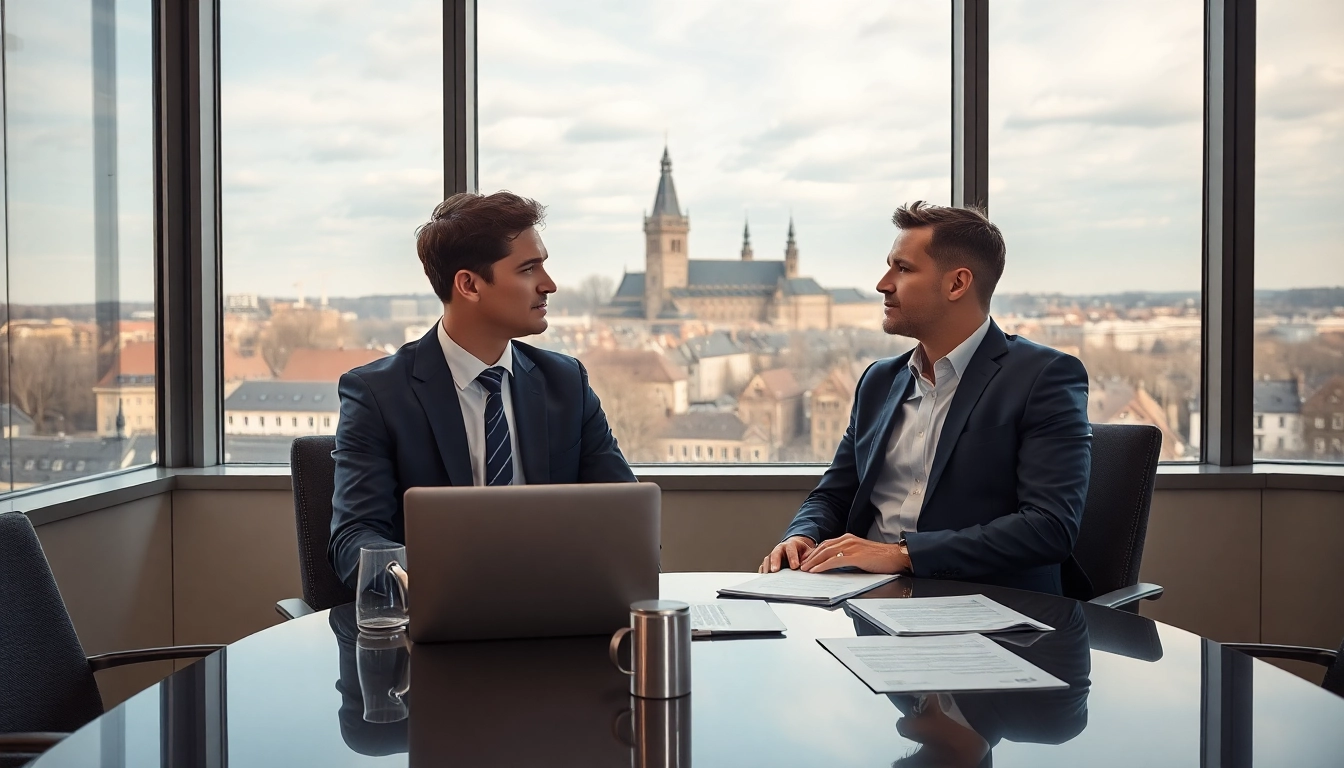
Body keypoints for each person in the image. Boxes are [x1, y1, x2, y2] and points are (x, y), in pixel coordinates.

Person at [759, 202, 1092, 595]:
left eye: (903, 268)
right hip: (864, 601)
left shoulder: (1044, 377)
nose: (883, 283)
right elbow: (834, 494)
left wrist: (902, 554)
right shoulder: (878, 381)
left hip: (986, 610)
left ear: (957, 284)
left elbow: (1048, 528)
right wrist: (803, 536)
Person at [329, 192, 636, 588]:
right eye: (528, 269)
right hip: (438, 620)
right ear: (469, 285)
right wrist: (438, 580)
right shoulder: (376, 394)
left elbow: (626, 516)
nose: (550, 285)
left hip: (560, 613)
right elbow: (355, 539)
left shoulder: (567, 383)